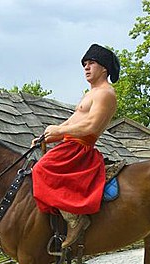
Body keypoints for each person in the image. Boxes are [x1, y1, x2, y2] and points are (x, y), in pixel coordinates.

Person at [32, 44, 120, 248]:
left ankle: (75, 219)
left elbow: (91, 126)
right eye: (84, 64)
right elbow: (72, 122)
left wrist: (59, 132)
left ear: (104, 68)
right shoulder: (91, 94)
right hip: (69, 144)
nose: (86, 68)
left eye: (91, 63)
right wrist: (46, 137)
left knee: (41, 170)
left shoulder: (105, 93)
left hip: (80, 148)